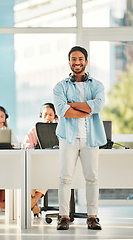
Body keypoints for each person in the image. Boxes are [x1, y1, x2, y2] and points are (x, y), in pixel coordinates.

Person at [53, 46, 107, 230]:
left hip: (90, 138)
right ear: (69, 62)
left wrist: (72, 105)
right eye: (74, 59)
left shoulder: (97, 85)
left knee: (92, 178)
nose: (77, 62)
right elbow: (62, 111)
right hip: (68, 138)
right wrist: (86, 107)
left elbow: (97, 107)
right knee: (65, 178)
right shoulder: (60, 86)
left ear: (86, 61)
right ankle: (64, 217)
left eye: (81, 59)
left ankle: (92, 217)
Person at [23, 102, 58, 217]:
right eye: (45, 114)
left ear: (55, 117)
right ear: (40, 116)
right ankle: (35, 203)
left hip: (54, 163)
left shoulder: (59, 129)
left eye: (51, 115)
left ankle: (33, 202)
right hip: (37, 162)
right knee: (31, 174)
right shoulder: (34, 130)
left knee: (49, 172)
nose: (48, 117)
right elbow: (26, 145)